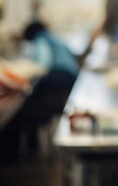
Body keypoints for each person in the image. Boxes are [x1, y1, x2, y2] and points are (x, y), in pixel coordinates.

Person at [0, 20, 78, 157]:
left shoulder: (40, 39)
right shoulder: (54, 37)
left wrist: (28, 83)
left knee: (25, 100)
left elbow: (43, 66)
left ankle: (17, 151)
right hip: (71, 79)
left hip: (59, 76)